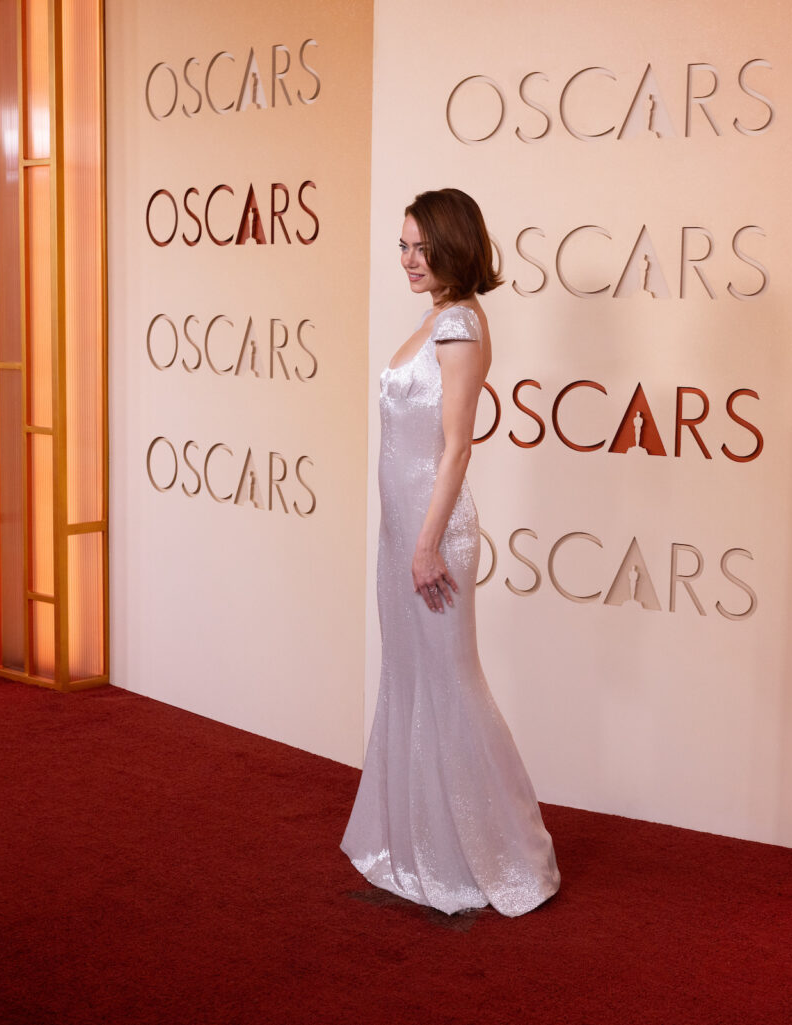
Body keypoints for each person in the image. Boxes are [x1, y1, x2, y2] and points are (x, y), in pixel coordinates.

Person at [341, 188, 560, 917]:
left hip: (433, 538)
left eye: (421, 248)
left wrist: (429, 542)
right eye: (403, 246)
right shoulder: (434, 317)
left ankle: (498, 858)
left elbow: (458, 446)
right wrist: (408, 539)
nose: (408, 260)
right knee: (410, 681)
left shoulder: (460, 324)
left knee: (451, 686)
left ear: (454, 246)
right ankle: (421, 847)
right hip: (403, 535)